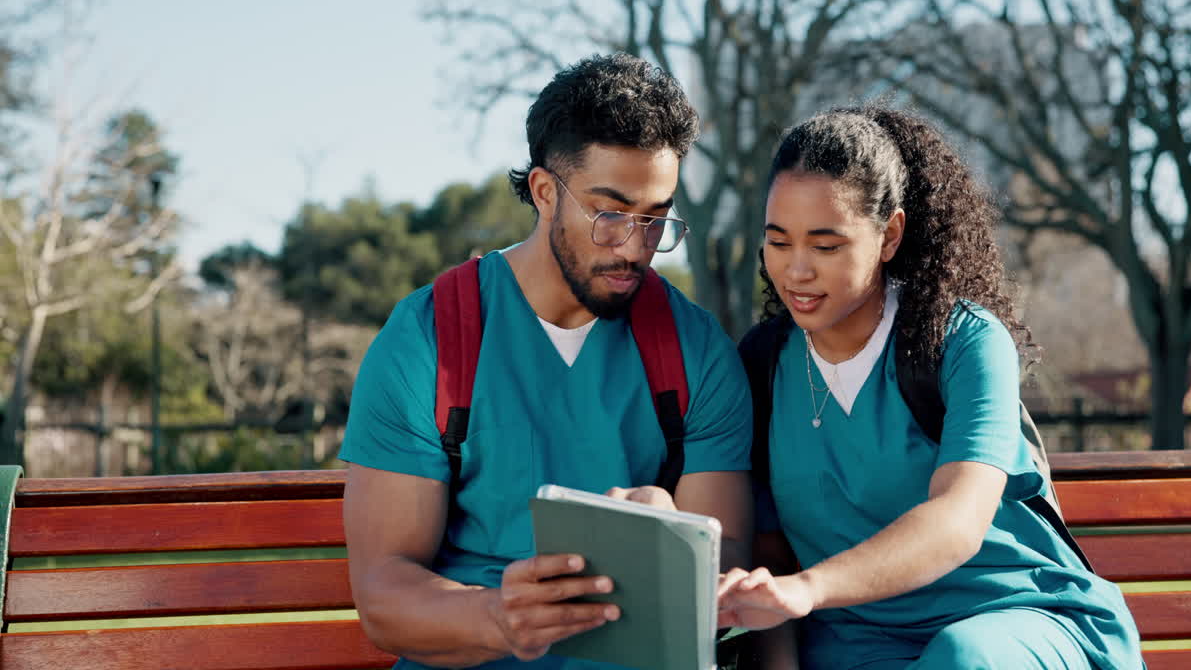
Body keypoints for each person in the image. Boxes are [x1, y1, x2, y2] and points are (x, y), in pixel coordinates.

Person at [339, 53, 753, 670]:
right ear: (543, 192)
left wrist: (676, 541)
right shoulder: (429, 338)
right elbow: (383, 595)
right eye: (610, 215)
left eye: (657, 218)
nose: (636, 247)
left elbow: (728, 574)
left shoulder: (695, 350)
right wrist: (497, 619)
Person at [717, 106, 1144, 670]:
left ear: (889, 234)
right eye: (778, 242)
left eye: (825, 246)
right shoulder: (762, 363)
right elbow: (773, 558)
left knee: (962, 658)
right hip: (854, 639)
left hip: (1012, 620)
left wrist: (813, 588)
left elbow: (956, 522)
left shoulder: (963, 341)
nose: (796, 271)